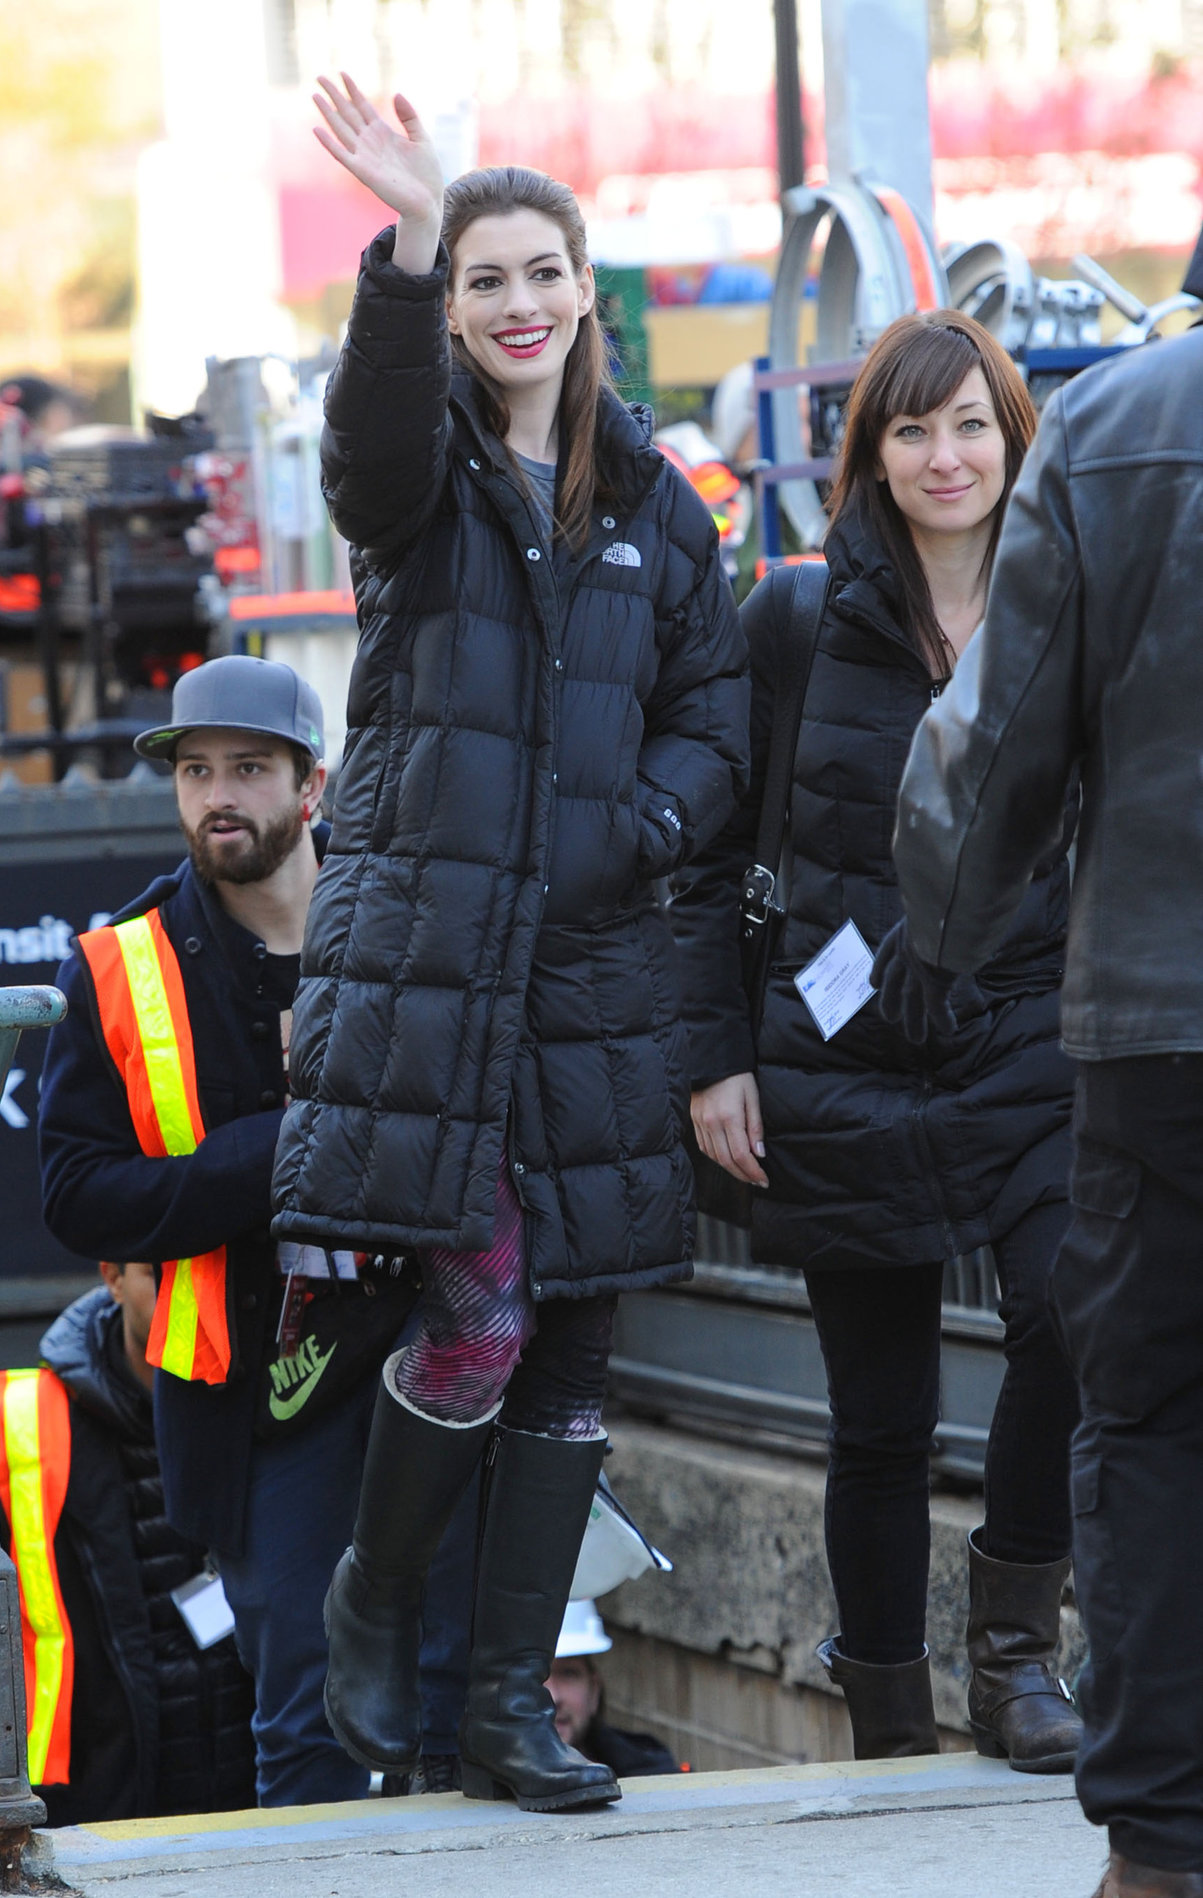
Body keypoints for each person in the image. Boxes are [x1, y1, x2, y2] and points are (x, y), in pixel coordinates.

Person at [269, 76, 748, 1815]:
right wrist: (408, 235)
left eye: (541, 271)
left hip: (590, 969)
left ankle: (502, 1703)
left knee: (570, 1342)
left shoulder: (652, 499)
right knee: (478, 1308)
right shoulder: (420, 483)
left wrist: (639, 829)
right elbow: (365, 443)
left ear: (581, 289)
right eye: (484, 279)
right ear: (456, 309)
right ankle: (379, 1591)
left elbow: (712, 713)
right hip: (432, 964)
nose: (518, 301)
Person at [670, 311, 1083, 1769]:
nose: (942, 455)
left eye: (968, 423)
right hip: (837, 1051)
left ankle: (1015, 1655)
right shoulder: (795, 618)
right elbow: (711, 853)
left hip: (1029, 1034)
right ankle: (891, 1726)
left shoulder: (1072, 604)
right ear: (870, 453)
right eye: (910, 428)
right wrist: (715, 1056)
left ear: (1012, 437)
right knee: (879, 1417)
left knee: (1070, 1314)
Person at [38, 653, 475, 1805]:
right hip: (256, 1390)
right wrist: (281, 1142)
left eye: (247, 768)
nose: (217, 795)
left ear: (311, 783)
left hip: (431, 1340)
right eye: (195, 771)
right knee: (304, 1707)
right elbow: (77, 1194)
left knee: (462, 1689)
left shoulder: (406, 924)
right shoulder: (118, 966)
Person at [887, 308, 1203, 1895]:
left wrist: (938, 935)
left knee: (1151, 1422)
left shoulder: (1122, 425)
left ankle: (1160, 1843)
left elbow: (995, 738)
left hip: (1164, 1023)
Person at [0, 1263, 256, 1823]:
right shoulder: (25, 1424)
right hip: (96, 1813)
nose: (187, 1294)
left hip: (257, 1802)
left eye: (207, 1270)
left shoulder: (268, 1400)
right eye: (162, 1274)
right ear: (112, 1277)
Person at [546, 1602, 679, 1780]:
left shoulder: (650, 1772)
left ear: (594, 1691)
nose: (554, 1697)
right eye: (537, 1677)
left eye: (568, 1674)